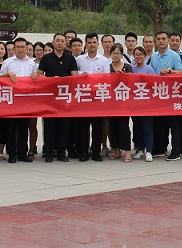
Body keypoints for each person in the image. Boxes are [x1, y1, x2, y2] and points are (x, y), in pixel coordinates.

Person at [36, 33, 78, 162]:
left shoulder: (70, 58)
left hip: (65, 97)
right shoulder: (46, 58)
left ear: (65, 43)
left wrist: (63, 81)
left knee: (64, 126)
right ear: (53, 43)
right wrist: (51, 80)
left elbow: (74, 76)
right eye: (57, 40)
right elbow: (39, 75)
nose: (60, 43)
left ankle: (61, 152)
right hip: (50, 97)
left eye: (62, 41)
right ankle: (49, 152)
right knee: (49, 126)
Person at [0, 37, 37, 163]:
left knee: (24, 127)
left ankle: (22, 153)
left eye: (22, 47)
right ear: (14, 49)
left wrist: (35, 76)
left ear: (27, 48)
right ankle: (11, 153)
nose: (20, 49)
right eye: (18, 47)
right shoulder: (8, 62)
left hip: (26, 100)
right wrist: (8, 75)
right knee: (11, 127)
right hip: (11, 100)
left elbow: (36, 80)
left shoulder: (32, 63)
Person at [149, 31, 182, 161]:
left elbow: (181, 72)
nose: (161, 41)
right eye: (158, 39)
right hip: (157, 95)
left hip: (171, 95)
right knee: (158, 123)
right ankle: (160, 148)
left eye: (163, 39)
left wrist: (169, 71)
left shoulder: (174, 56)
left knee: (173, 124)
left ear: (168, 40)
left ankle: (176, 151)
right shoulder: (154, 56)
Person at [75, 33, 110, 161]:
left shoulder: (104, 60)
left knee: (97, 127)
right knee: (83, 127)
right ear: (86, 44)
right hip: (83, 97)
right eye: (89, 42)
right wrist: (81, 74)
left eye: (94, 42)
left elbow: (107, 78)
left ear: (98, 44)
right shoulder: (79, 59)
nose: (92, 45)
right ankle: (84, 152)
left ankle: (96, 152)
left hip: (98, 98)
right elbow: (73, 74)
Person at [107, 44, 133, 162]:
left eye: (118, 53)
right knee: (113, 126)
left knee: (124, 127)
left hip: (124, 102)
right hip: (111, 102)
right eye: (113, 53)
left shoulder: (127, 67)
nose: (116, 55)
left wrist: (124, 77)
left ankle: (127, 151)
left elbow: (132, 82)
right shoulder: (108, 67)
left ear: (122, 54)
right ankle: (117, 151)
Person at [130, 46, 156, 162]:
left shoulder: (149, 69)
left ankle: (149, 151)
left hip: (147, 104)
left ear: (145, 56)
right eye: (136, 55)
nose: (138, 56)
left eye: (141, 54)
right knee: (138, 128)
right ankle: (141, 149)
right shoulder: (132, 70)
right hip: (135, 105)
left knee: (147, 128)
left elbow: (155, 84)